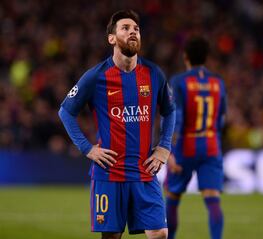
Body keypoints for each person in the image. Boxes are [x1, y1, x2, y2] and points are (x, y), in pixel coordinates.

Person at [58, 10, 175, 239]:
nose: (133, 31)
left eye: (136, 29)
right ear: (112, 38)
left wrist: (164, 146)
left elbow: (170, 110)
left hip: (145, 172)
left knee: (160, 233)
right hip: (109, 174)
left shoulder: (154, 74)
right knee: (111, 237)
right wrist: (87, 148)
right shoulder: (95, 76)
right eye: (125, 28)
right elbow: (65, 111)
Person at [165, 36, 227, 239]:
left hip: (186, 145)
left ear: (185, 57)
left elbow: (178, 117)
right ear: (207, 57)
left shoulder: (179, 81)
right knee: (213, 200)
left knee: (173, 197)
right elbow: (222, 118)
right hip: (211, 144)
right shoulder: (218, 82)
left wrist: (170, 151)